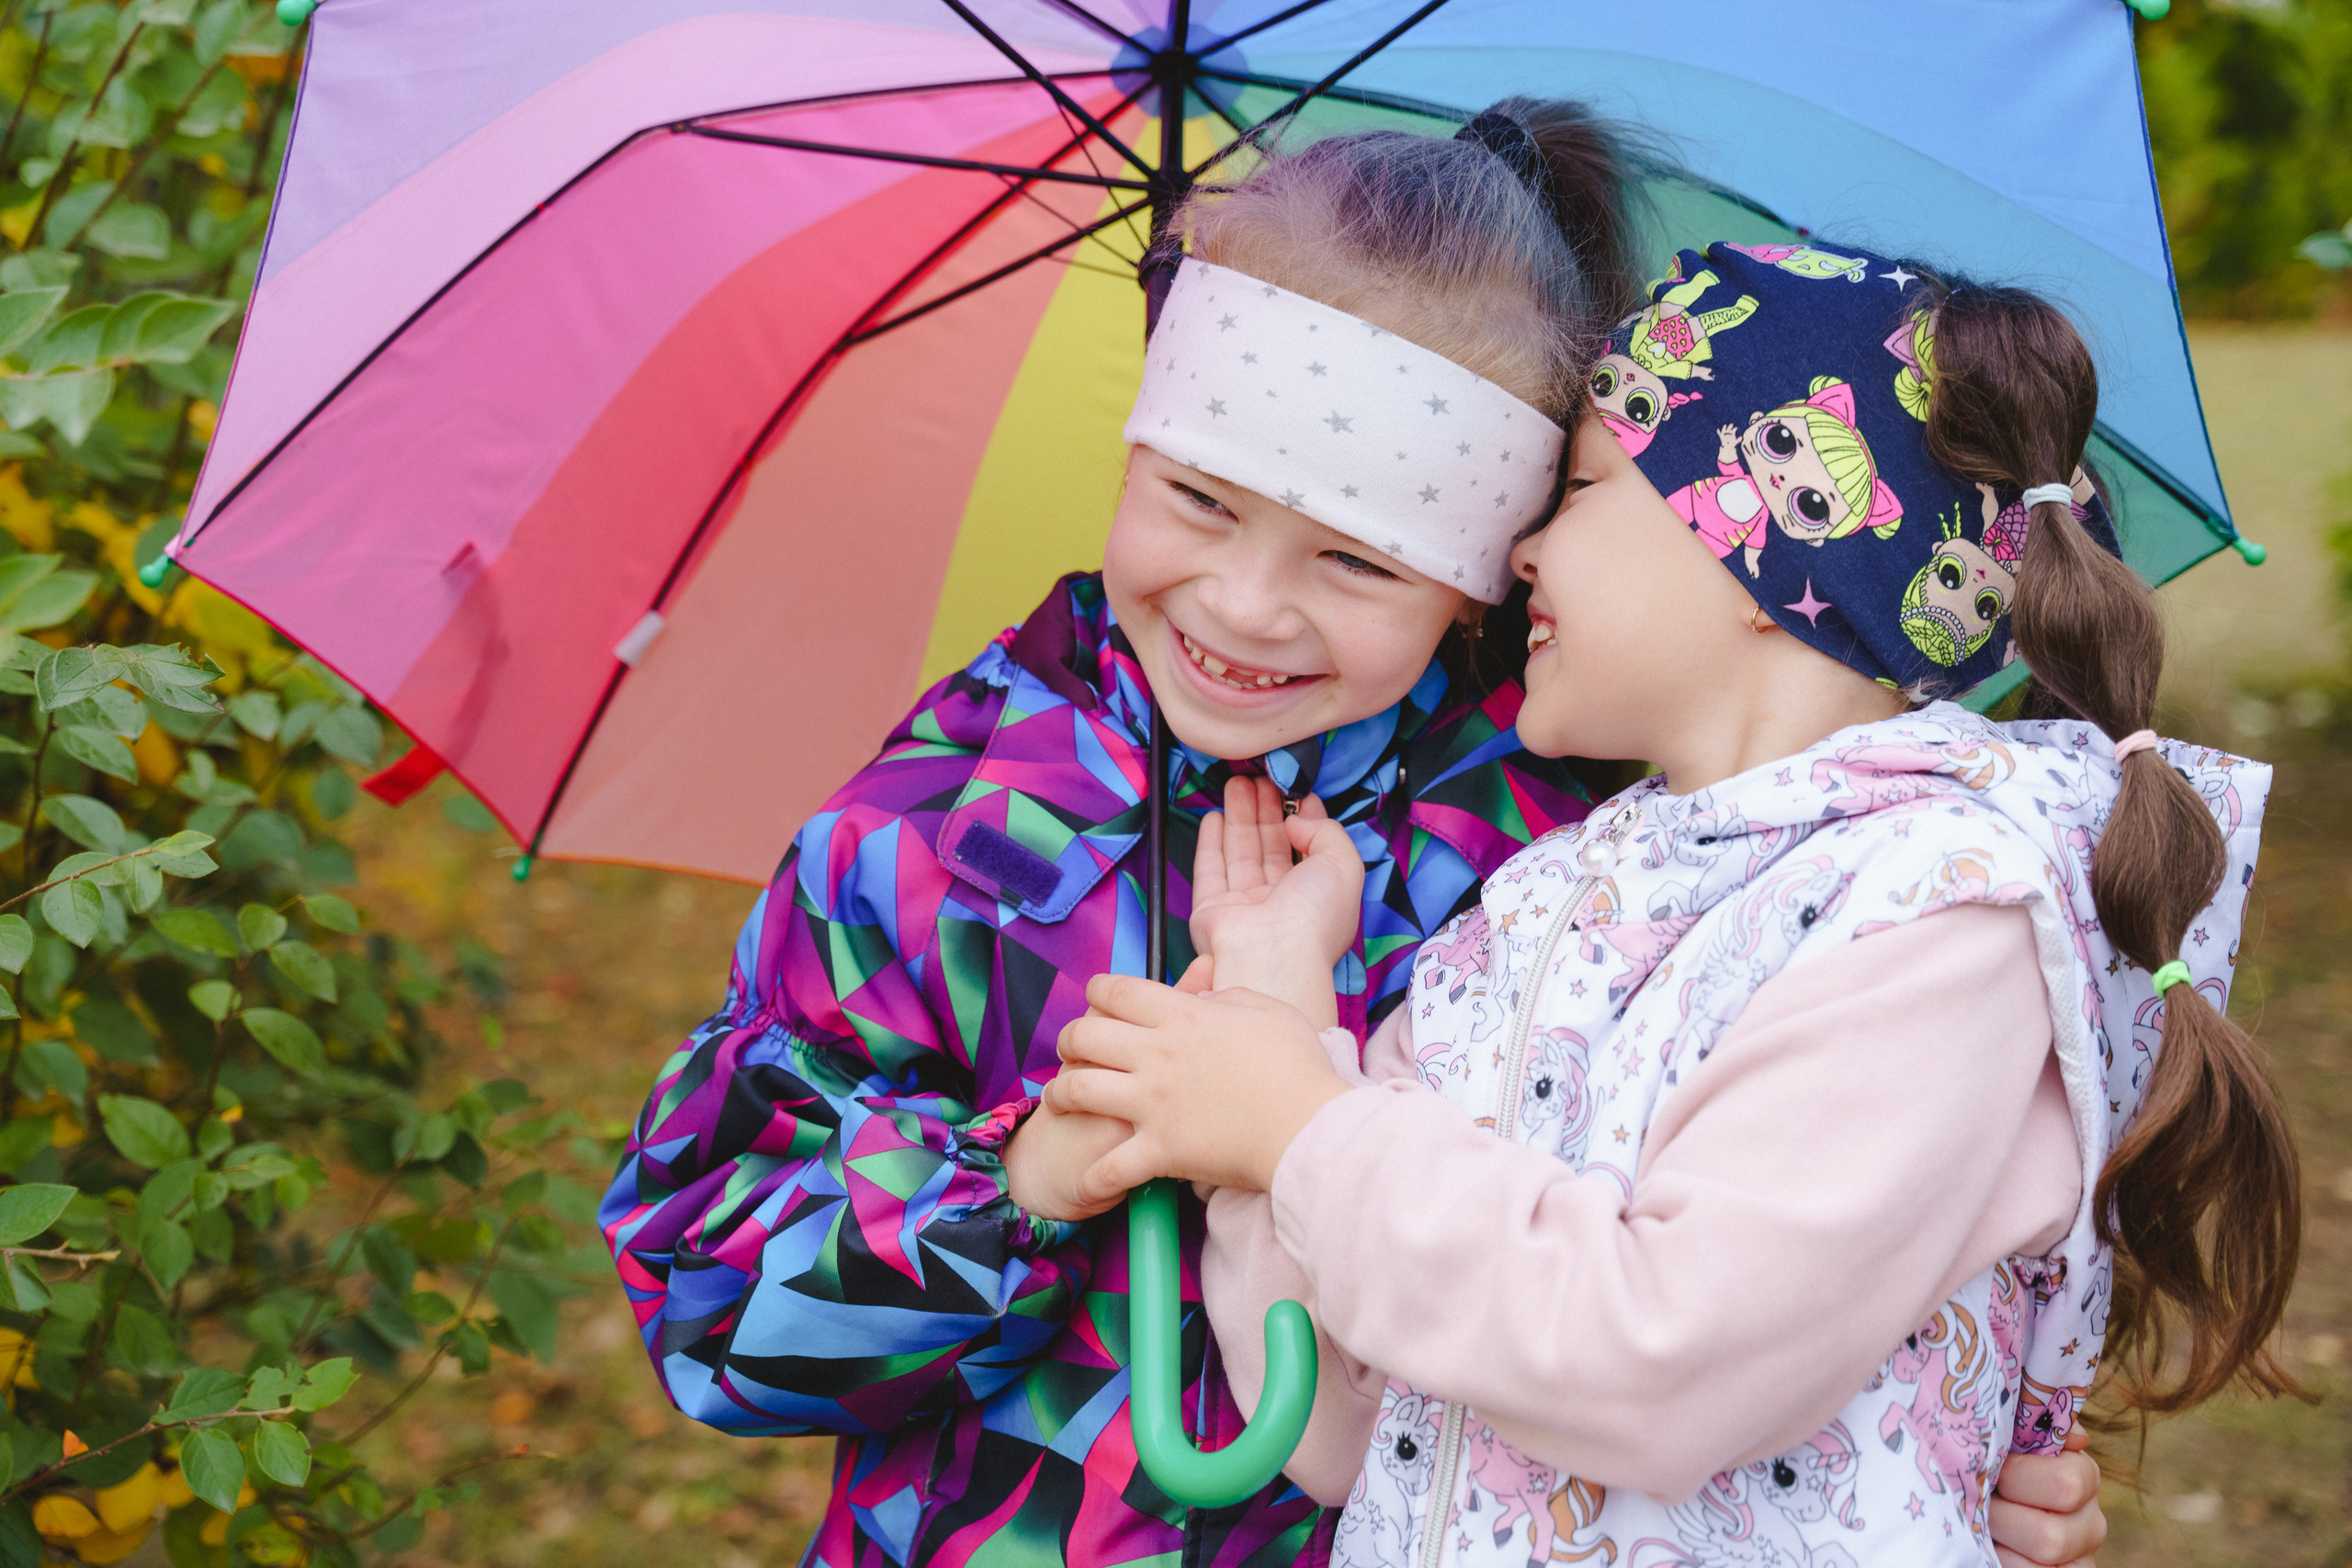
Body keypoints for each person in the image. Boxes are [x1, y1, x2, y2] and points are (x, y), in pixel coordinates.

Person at [601, 105, 2109, 1566]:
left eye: (1357, 561)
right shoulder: (938, 832)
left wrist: (1914, 1452)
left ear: (1487, 569)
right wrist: (1018, 1185)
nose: (1246, 606)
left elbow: (1728, 1271)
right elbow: (706, 1304)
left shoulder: (1570, 853)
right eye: (1198, 500)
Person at [1052, 243, 2299, 1568]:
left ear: (1758, 551)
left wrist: (1299, 1126)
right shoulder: (1539, 905)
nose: (1521, 550)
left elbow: (1659, 1363)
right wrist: (1280, 1020)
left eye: (1584, 487)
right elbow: (1345, 1435)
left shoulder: (1939, 914)